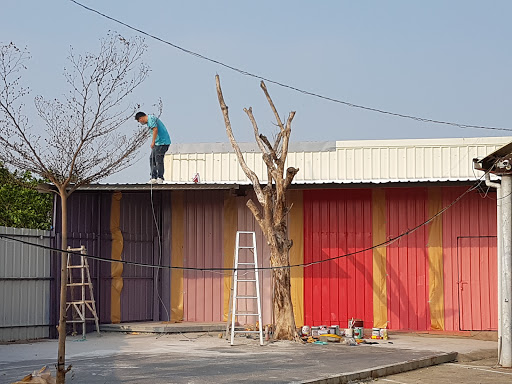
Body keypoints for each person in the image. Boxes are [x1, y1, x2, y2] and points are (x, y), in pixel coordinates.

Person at [135, 112, 171, 184]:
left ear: (141, 118)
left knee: (158, 159)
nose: (140, 123)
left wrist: (153, 142)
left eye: (139, 121)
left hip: (162, 142)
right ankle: (153, 177)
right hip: (158, 143)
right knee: (152, 159)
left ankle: (160, 177)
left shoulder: (150, 119)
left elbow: (155, 129)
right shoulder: (150, 121)